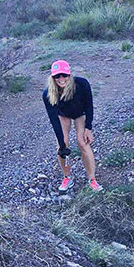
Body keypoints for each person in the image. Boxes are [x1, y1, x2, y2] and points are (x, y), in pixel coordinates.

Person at [42, 60, 103, 193]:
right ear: (53, 77)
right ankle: (66, 177)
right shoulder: (48, 94)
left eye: (64, 75)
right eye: (57, 76)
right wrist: (62, 144)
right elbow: (54, 121)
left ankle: (92, 180)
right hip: (63, 115)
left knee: (83, 142)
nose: (61, 79)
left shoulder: (81, 84)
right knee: (61, 145)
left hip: (80, 114)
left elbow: (89, 106)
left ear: (69, 74)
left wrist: (88, 128)